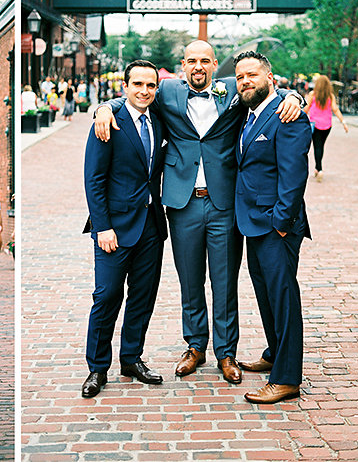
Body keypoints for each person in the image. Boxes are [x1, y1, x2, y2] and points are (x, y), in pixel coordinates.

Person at [94, 41, 303, 384]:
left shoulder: (236, 87)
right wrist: (104, 107)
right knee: (190, 281)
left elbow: (273, 88)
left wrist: (298, 98)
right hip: (182, 202)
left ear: (214, 63)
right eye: (191, 60)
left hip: (225, 202)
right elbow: (134, 97)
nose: (198, 66)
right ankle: (194, 346)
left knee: (225, 282)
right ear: (182, 65)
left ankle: (226, 352)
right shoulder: (167, 93)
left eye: (205, 60)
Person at [81, 60, 168, 398]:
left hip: (151, 225)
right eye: (138, 84)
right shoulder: (109, 121)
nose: (144, 91)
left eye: (150, 85)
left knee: (143, 297)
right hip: (114, 228)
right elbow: (94, 179)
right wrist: (102, 227)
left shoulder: (159, 119)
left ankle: (132, 358)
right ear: (125, 87)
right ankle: (97, 368)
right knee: (106, 296)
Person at [232, 51, 311, 403]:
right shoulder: (245, 111)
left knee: (283, 297)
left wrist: (281, 222)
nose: (246, 81)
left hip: (277, 225)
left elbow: (294, 175)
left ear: (270, 77)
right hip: (253, 223)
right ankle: (275, 353)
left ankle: (287, 378)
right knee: (265, 294)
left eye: (252, 75)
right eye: (240, 77)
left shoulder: (287, 114)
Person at [304, 75, 348, 182]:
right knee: (321, 146)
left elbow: (306, 108)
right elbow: (335, 109)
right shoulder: (330, 96)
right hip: (327, 125)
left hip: (315, 124)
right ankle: (317, 168)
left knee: (317, 146)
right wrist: (343, 122)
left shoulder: (312, 94)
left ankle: (319, 169)